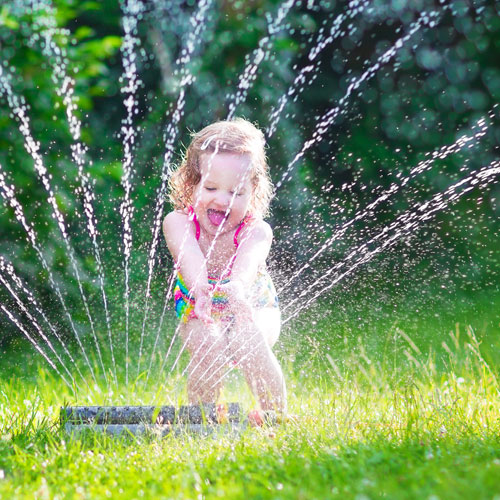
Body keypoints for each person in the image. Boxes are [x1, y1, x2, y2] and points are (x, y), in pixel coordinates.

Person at [163, 118, 286, 424]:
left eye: (236, 192)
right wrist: (201, 288)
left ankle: (275, 416)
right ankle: (201, 419)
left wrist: (237, 289)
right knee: (207, 347)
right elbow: (189, 256)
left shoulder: (256, 230)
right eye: (211, 187)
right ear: (191, 185)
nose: (222, 199)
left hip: (252, 303)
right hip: (198, 304)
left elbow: (248, 262)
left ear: (253, 193)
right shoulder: (178, 223)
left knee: (249, 341)